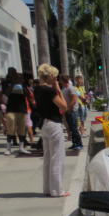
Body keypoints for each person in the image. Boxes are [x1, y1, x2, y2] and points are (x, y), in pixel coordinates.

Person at [35, 64, 69, 197]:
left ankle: (48, 188)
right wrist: (58, 89)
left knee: (48, 158)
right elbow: (64, 106)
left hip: (44, 123)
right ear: (49, 77)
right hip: (53, 124)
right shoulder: (50, 91)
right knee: (57, 157)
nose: (56, 79)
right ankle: (57, 190)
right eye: (54, 76)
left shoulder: (38, 89)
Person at [4, 71, 33, 155]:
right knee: (10, 130)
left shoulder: (24, 87)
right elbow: (5, 96)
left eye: (21, 78)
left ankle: (21, 147)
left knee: (22, 130)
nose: (20, 80)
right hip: (11, 111)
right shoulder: (10, 86)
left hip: (22, 110)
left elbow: (29, 96)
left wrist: (24, 87)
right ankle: (8, 148)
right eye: (18, 78)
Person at [60, 75, 83, 150]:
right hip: (67, 111)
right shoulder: (64, 89)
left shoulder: (71, 88)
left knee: (74, 128)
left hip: (72, 111)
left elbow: (74, 99)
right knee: (71, 128)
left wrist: (69, 108)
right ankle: (74, 143)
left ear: (62, 80)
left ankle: (79, 144)